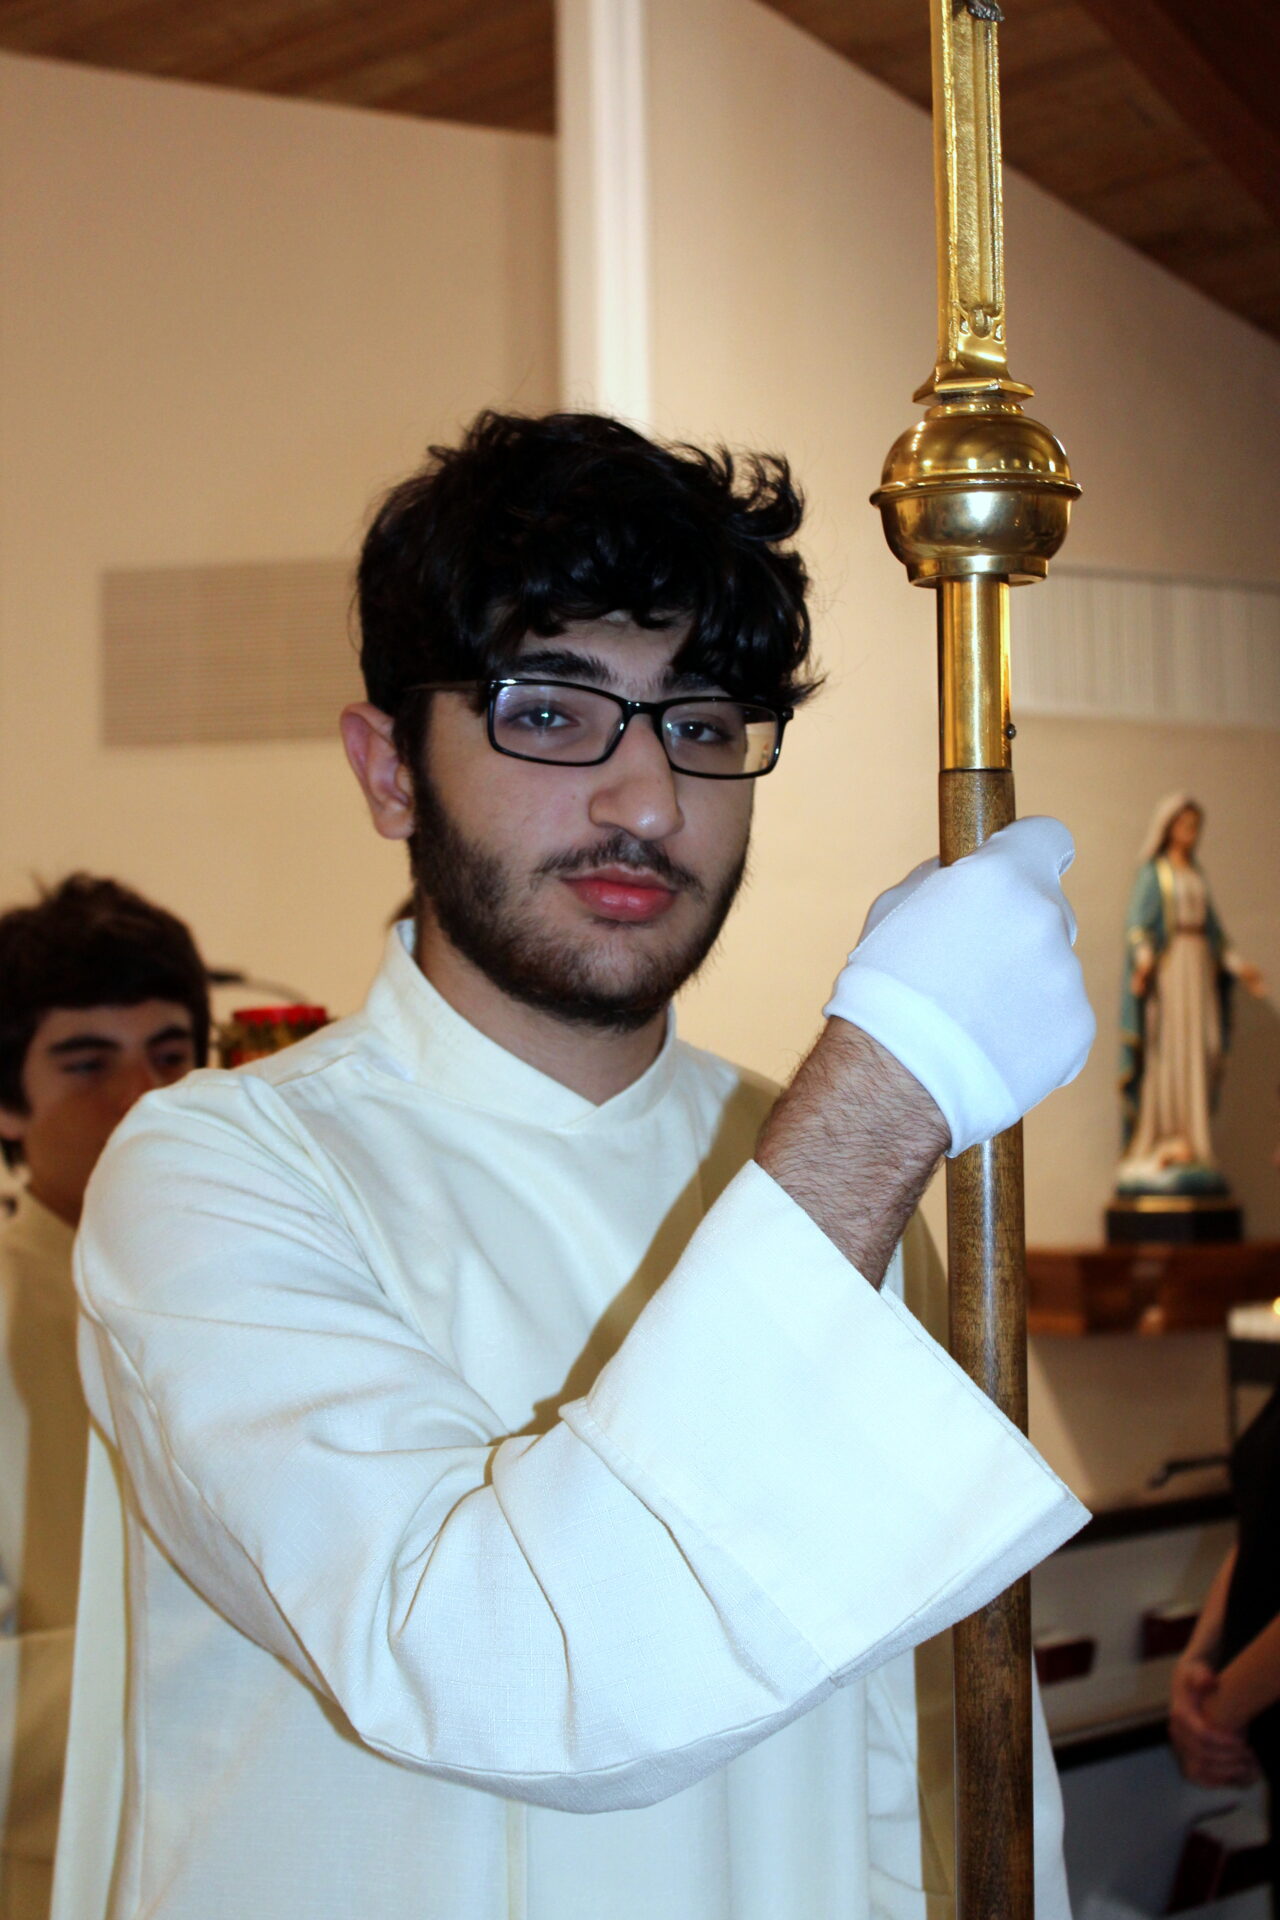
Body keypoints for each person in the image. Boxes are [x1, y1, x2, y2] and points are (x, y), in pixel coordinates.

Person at [56, 411, 1094, 1920]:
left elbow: (919, 1746)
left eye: (704, 721)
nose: (648, 800)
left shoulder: (799, 1164)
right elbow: (494, 1668)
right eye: (549, 710)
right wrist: (891, 1086)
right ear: (389, 768)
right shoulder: (220, 1170)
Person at [0, 876, 209, 1920]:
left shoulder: (265, 1308)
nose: (143, 1100)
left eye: (171, 1057)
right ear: (7, 1103)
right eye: (86, 1065)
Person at [1118, 794, 1266, 1190]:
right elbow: (1139, 927)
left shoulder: (1195, 874)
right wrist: (1145, 962)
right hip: (1170, 976)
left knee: (1205, 1048)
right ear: (1168, 827)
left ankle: (1194, 1141)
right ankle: (1167, 1137)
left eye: (1194, 826)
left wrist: (1241, 967)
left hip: (1198, 972)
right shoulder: (1156, 872)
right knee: (1171, 1051)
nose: (1190, 833)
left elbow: (1216, 935)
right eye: (1184, 825)